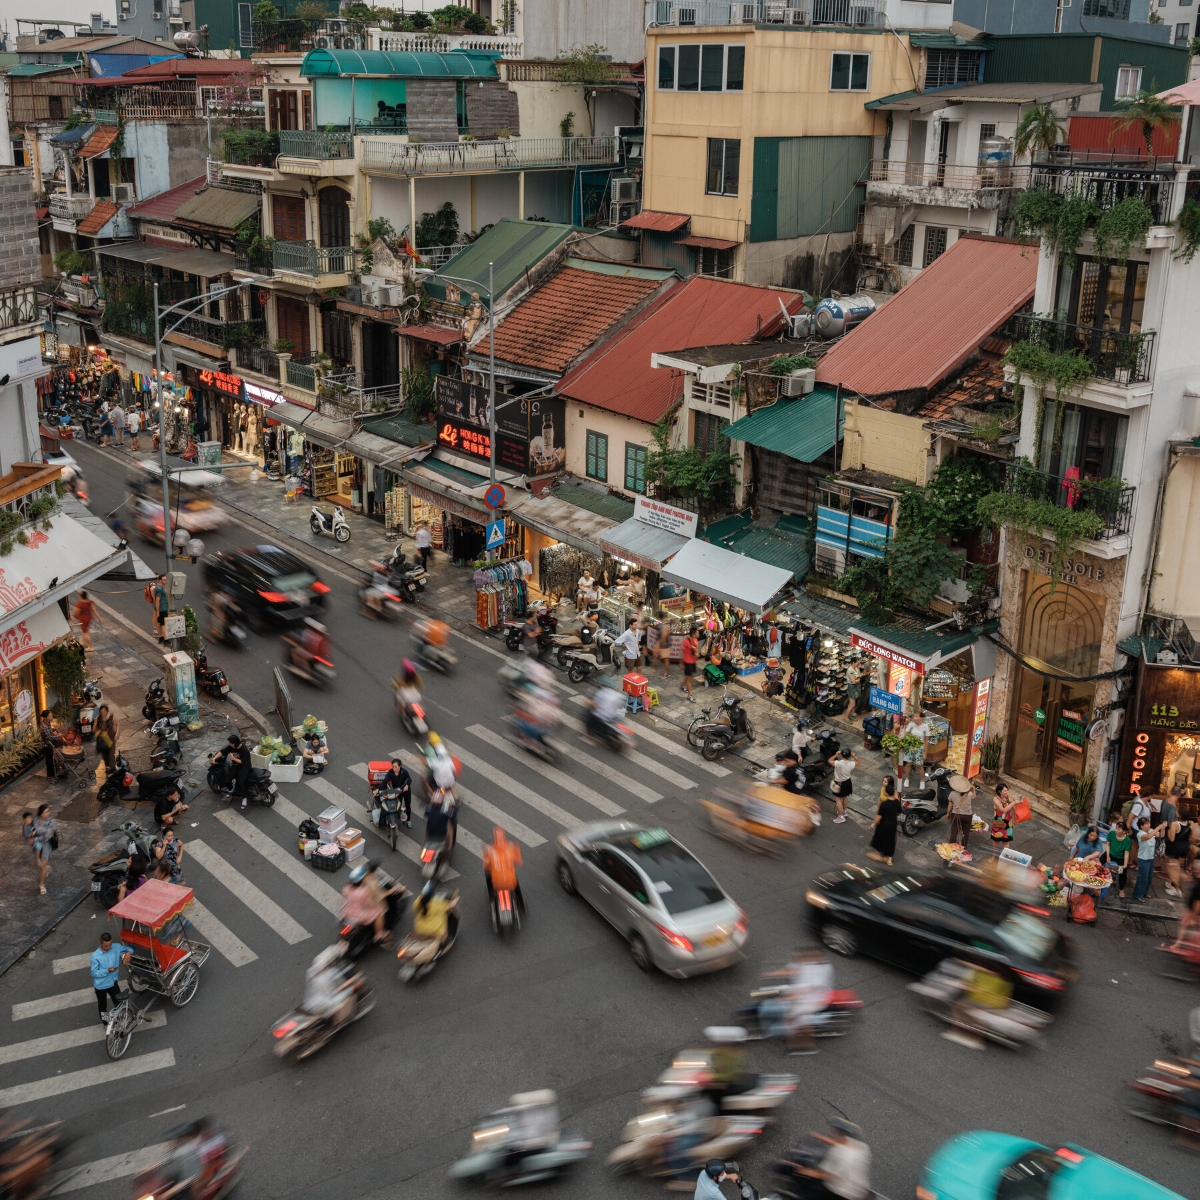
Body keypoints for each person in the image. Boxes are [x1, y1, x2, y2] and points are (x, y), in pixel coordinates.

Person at [797, 1119, 872, 1200]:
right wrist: (819, 1137)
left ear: (837, 1133)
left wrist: (798, 1170)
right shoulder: (861, 1147)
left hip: (843, 1193)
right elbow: (840, 1145)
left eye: (833, 1130)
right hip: (858, 1188)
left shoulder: (838, 1154)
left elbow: (822, 1175)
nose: (830, 1131)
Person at [89, 932, 132, 1024]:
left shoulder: (116, 947)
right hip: (101, 985)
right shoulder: (95, 957)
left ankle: (120, 1020)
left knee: (118, 1003)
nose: (108, 948)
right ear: (100, 943)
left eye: (110, 945)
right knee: (102, 1006)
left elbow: (129, 948)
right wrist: (107, 971)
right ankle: (106, 1024)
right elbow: (94, 973)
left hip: (113, 983)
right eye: (105, 946)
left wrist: (128, 953)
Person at [341, 861, 388, 943]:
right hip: (360, 915)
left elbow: (344, 895)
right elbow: (368, 904)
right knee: (379, 913)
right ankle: (379, 934)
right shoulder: (364, 891)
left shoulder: (347, 888)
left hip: (347, 912)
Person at [483, 826, 524, 914]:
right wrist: (517, 849)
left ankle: (491, 896)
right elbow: (519, 863)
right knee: (515, 882)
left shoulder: (490, 849)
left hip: (497, 884)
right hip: (511, 882)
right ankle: (521, 904)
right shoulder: (510, 847)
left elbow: (486, 867)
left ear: (494, 838)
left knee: (488, 874)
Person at [23, 804, 55, 895]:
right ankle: (43, 867)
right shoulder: (36, 820)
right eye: (45, 812)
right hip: (36, 846)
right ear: (41, 813)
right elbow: (30, 829)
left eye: (48, 811)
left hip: (46, 847)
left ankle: (42, 885)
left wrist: (35, 838)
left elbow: (47, 836)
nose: (48, 813)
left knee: (42, 866)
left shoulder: (51, 823)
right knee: (40, 865)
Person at [868, 776, 901, 865]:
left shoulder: (885, 804)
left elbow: (880, 816)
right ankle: (889, 859)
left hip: (884, 824)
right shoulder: (896, 802)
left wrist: (874, 823)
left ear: (887, 792)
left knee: (879, 837)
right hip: (893, 824)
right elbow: (899, 812)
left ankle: (878, 854)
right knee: (891, 840)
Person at [1134, 815, 1168, 903]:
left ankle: (1145, 892)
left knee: (1149, 878)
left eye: (1148, 823)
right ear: (1141, 826)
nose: (1148, 825)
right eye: (1145, 824)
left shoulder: (1152, 831)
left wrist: (1163, 827)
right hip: (1143, 859)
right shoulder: (1140, 834)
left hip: (1151, 858)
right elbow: (1148, 836)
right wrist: (1158, 827)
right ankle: (1138, 895)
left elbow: (1161, 835)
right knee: (1142, 878)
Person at [411, 880, 454, 947]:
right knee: (444, 918)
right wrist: (455, 900)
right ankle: (444, 942)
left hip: (419, 925)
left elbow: (414, 909)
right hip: (432, 927)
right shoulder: (435, 903)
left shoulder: (418, 900)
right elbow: (448, 907)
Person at [375, 757, 412, 827]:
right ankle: (398, 817)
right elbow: (384, 782)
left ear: (400, 766)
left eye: (396, 767)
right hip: (397, 792)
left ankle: (408, 820)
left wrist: (407, 785)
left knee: (408, 806)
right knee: (398, 805)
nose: (394, 768)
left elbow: (409, 779)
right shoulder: (390, 773)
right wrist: (378, 789)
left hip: (406, 791)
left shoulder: (404, 771)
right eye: (393, 766)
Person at [1164, 810, 1192, 899]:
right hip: (1185, 847)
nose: (1176, 812)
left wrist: (1168, 831)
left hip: (1175, 848)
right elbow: (1190, 836)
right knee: (1177, 866)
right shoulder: (1190, 823)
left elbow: (1171, 839)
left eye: (1177, 811)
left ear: (1179, 814)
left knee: (1173, 869)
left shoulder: (1175, 824)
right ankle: (1173, 883)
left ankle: (1176, 889)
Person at [947, 775, 975, 858]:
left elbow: (949, 805)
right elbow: (974, 797)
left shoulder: (952, 793)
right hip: (967, 815)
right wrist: (973, 788)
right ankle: (964, 849)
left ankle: (952, 849)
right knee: (965, 833)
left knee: (954, 831)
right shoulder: (969, 794)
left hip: (956, 814)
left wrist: (948, 813)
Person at [828, 747, 857, 824]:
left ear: (841, 755)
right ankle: (844, 811)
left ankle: (841, 817)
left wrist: (835, 755)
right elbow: (859, 762)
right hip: (847, 782)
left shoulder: (838, 763)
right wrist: (854, 756)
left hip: (839, 782)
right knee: (845, 796)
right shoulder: (851, 764)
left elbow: (829, 761)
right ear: (849, 755)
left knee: (837, 799)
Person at [902, 712, 930, 788]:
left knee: (919, 765)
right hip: (910, 747)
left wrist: (925, 753)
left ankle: (922, 781)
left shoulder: (925, 727)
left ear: (921, 718)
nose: (915, 718)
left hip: (919, 749)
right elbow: (905, 733)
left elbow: (926, 741)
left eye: (917, 716)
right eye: (914, 716)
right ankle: (907, 779)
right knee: (908, 764)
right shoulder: (911, 724)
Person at [1107, 817, 1132, 899]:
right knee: (1100, 862)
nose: (1117, 831)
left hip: (1120, 857)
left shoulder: (1127, 840)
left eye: (1119, 830)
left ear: (1124, 831)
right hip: (1111, 853)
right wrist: (1107, 856)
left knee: (1123, 872)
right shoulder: (1111, 833)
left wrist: (1125, 865)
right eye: (1116, 829)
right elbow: (1108, 845)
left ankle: (1121, 888)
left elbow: (1126, 853)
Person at [93, 703, 118, 775]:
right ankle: (108, 767)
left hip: (110, 737)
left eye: (104, 711)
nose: (103, 713)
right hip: (102, 738)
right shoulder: (98, 719)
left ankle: (112, 768)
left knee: (111, 753)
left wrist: (116, 733)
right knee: (104, 754)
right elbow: (93, 729)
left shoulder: (111, 717)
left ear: (107, 711)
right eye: (101, 712)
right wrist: (98, 731)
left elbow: (117, 724)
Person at [39, 709, 62, 779]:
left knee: (52, 759)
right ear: (45, 717)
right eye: (50, 716)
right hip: (47, 745)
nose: (51, 717)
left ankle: (54, 772)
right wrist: (58, 736)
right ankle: (51, 775)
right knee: (49, 760)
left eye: (52, 716)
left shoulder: (47, 723)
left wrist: (54, 730)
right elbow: (49, 737)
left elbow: (49, 731)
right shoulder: (44, 726)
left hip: (49, 745)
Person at [681, 625, 699, 703]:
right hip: (688, 662)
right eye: (697, 632)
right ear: (693, 633)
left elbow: (696, 649)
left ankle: (682, 685)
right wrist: (681, 662)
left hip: (693, 662)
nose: (698, 633)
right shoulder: (686, 641)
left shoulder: (695, 640)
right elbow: (682, 652)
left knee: (688, 677)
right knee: (690, 679)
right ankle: (690, 695)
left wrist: (697, 654)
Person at [152, 574, 169, 642]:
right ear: (159, 580)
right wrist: (158, 612)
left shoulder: (160, 587)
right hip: (162, 609)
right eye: (164, 580)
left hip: (162, 608)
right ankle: (166, 639)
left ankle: (160, 637)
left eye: (165, 579)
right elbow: (157, 601)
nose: (165, 581)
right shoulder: (159, 589)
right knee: (163, 624)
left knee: (160, 623)